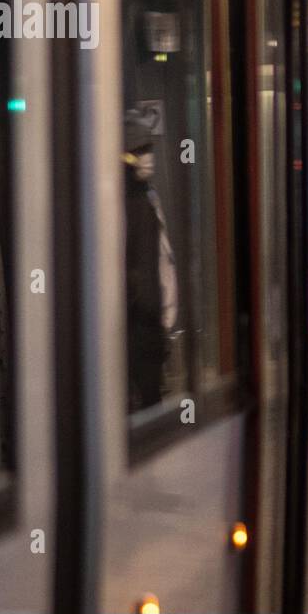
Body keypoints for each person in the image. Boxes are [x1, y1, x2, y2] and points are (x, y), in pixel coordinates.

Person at [123, 108, 178, 412]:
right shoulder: (129, 204)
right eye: (139, 151)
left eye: (148, 149)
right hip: (137, 331)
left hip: (150, 329)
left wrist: (164, 323)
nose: (147, 158)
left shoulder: (147, 199)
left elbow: (162, 263)